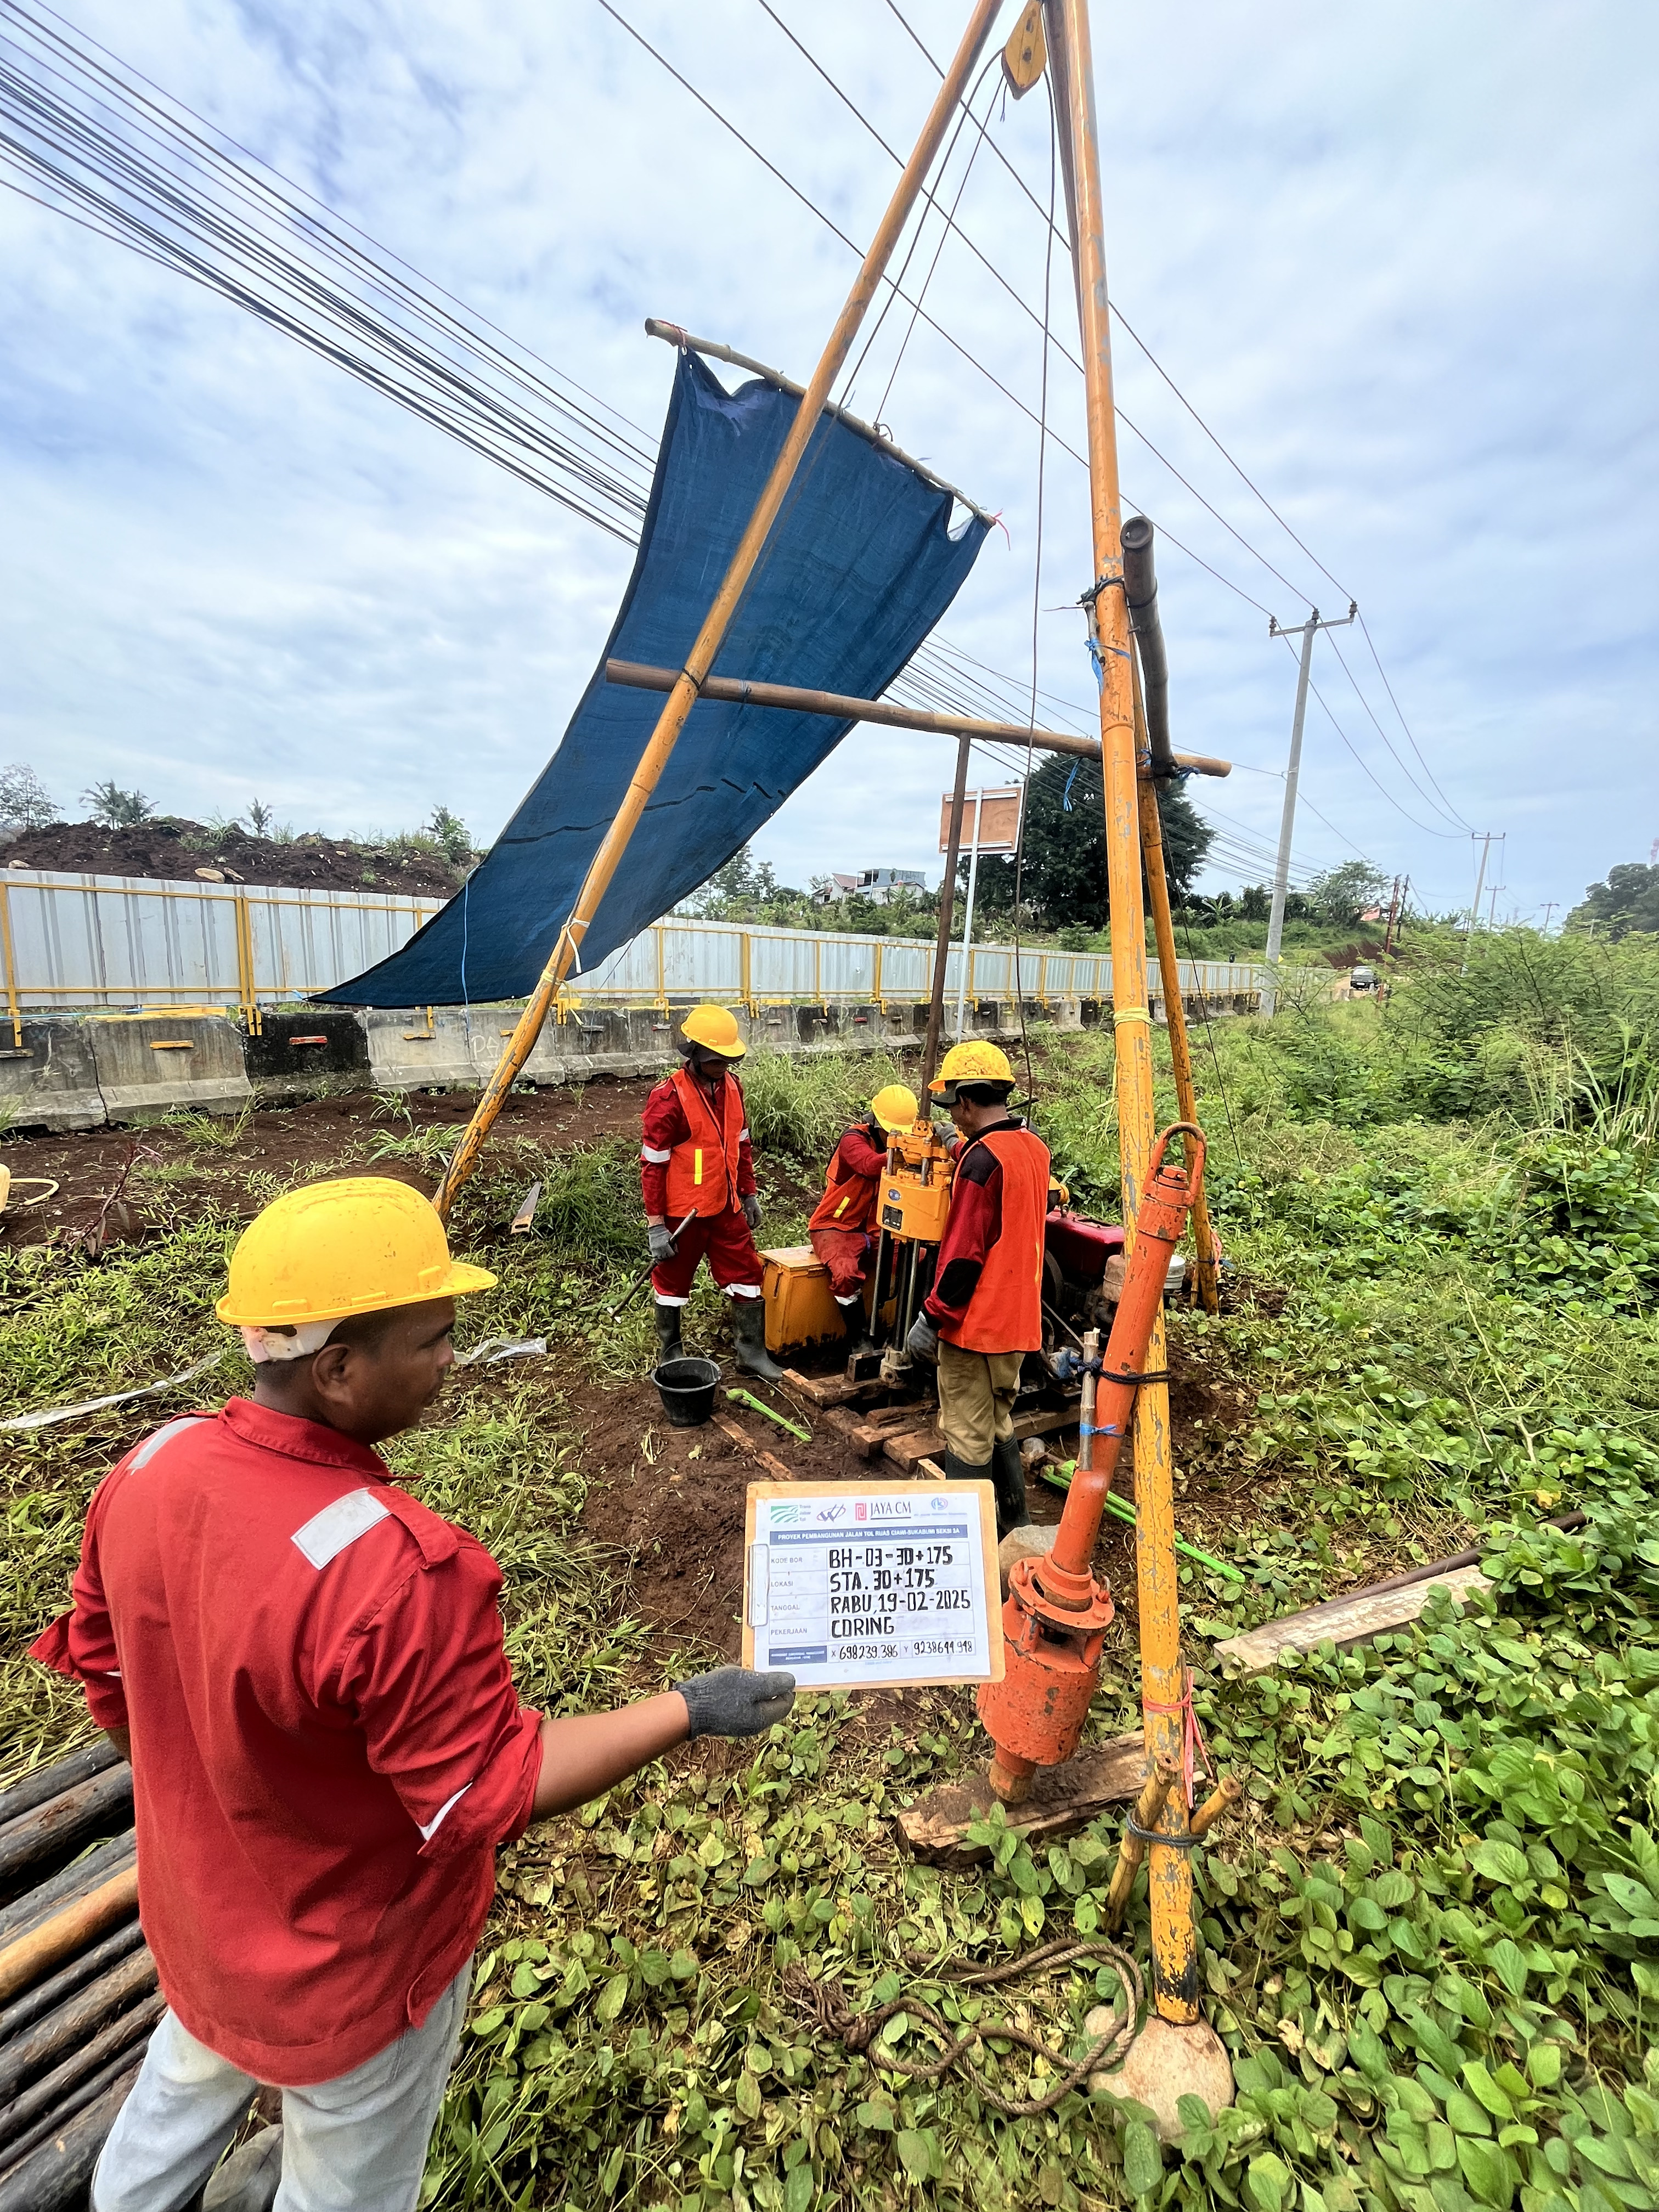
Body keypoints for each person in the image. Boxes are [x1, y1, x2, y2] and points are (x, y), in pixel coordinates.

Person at [29, 1177, 794, 2212]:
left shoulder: (148, 1464)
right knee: (344, 2182)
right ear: (338, 1367)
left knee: (181, 2092)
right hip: (349, 1969)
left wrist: (222, 1793)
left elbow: (107, 1673)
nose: (451, 1359)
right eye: (433, 1338)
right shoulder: (394, 1573)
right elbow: (484, 1793)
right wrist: (687, 1708)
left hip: (199, 1922)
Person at [904, 1041, 1047, 1537]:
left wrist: (931, 1317)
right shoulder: (1033, 1149)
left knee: (965, 1432)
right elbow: (998, 1165)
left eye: (955, 1112)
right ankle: (1017, 1524)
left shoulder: (980, 1165)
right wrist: (956, 1143)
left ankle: (968, 1546)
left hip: (974, 1328)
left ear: (966, 1102)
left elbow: (964, 1256)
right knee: (999, 1421)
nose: (955, 1118)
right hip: (1019, 1324)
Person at [640, 1003, 783, 1384]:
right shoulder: (668, 1099)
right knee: (672, 1283)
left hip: (726, 1208)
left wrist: (748, 1193)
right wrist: (656, 1227)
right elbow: (653, 1166)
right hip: (682, 1215)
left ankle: (751, 1352)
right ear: (696, 1055)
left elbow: (741, 1144)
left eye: (728, 1059)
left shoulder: (733, 1087)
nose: (724, 1066)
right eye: (717, 1060)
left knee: (748, 1274)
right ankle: (671, 1352)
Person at [806, 1082, 918, 1358]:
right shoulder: (853, 1140)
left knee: (922, 1260)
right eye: (894, 1131)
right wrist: (909, 1152)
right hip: (835, 1226)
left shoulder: (909, 1145)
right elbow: (868, 1165)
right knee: (845, 1272)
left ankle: (908, 1334)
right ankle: (858, 1340)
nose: (898, 1137)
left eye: (903, 1133)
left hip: (881, 1228)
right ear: (878, 1122)